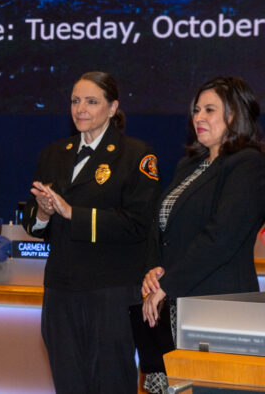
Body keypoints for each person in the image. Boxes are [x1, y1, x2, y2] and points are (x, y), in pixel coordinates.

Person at [22, 71, 160, 393]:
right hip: (59, 291)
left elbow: (138, 223)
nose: (80, 109)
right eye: (75, 101)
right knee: (68, 382)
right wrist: (42, 213)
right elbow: (33, 222)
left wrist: (73, 214)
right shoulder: (53, 154)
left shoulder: (136, 155)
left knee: (111, 382)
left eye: (91, 101)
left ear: (113, 108)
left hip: (110, 292)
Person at [141, 76, 265, 393]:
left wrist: (167, 283)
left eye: (210, 109)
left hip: (221, 308)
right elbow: (162, 226)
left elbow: (221, 238)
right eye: (196, 109)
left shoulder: (248, 164)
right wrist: (154, 271)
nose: (199, 117)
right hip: (176, 306)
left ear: (235, 115)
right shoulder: (188, 165)